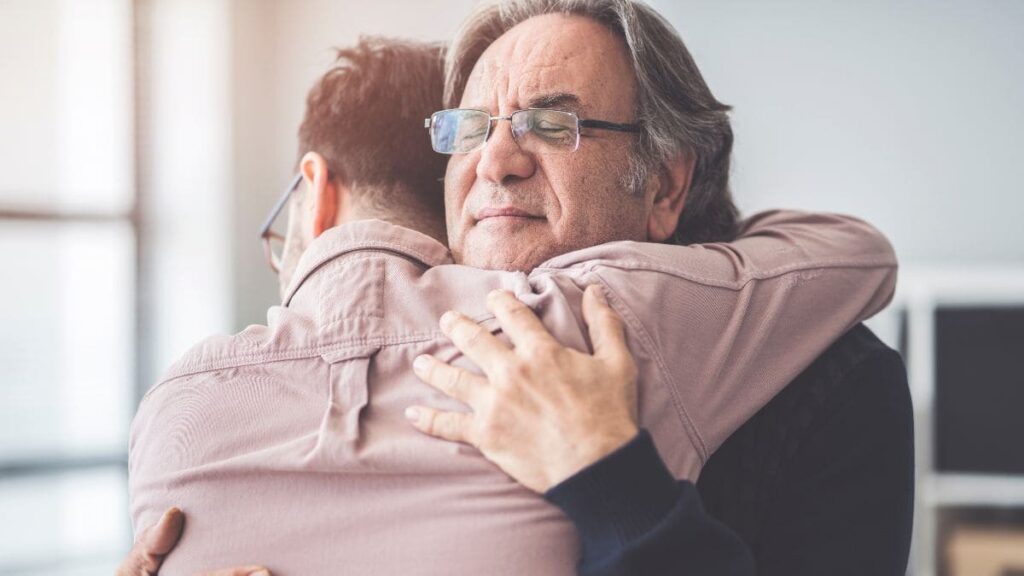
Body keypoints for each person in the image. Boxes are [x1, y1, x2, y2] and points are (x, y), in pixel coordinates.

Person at [120, 5, 909, 574]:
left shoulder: (832, 379)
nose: (495, 161)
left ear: (665, 188)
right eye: (469, 130)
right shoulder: (303, 373)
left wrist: (607, 476)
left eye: (551, 124)